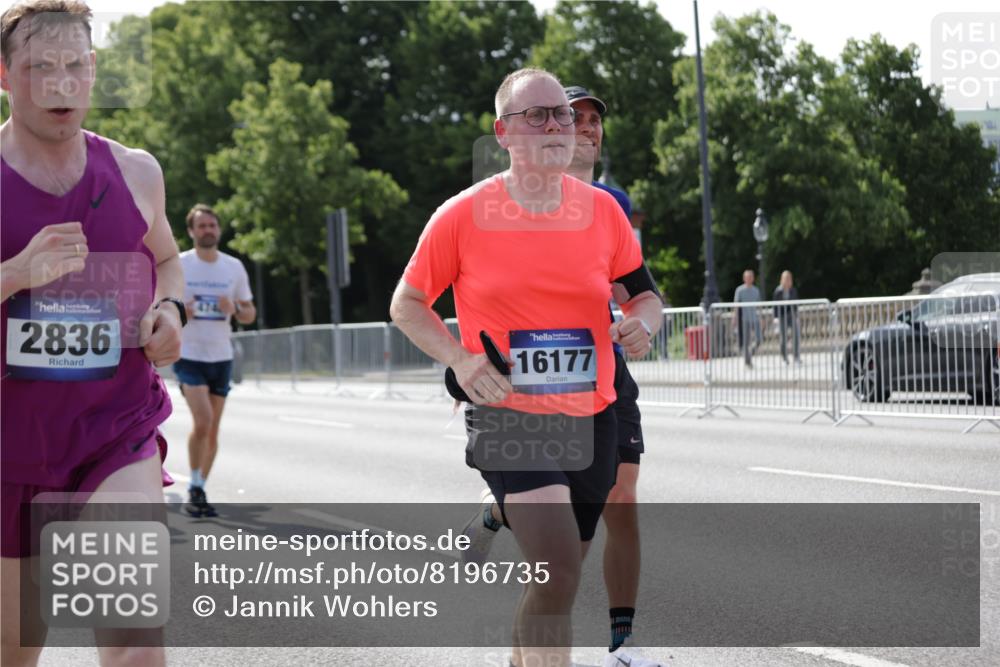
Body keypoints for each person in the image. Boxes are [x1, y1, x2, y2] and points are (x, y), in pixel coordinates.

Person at [390, 68, 663, 667]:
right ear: (503, 133)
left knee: (555, 581)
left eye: (561, 115)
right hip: (510, 416)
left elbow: (644, 294)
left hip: (593, 415)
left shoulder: (603, 213)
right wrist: (460, 359)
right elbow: (406, 304)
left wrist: (644, 323)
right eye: (536, 116)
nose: (556, 125)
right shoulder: (463, 215)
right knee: (560, 567)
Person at [1, 1, 183, 664]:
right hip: (8, 446)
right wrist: (15, 274)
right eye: (39, 67)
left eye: (75, 65)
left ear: (95, 69)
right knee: (15, 650)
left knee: (135, 641)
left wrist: (171, 313)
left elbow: (166, 259)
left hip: (114, 429)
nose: (60, 84)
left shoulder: (137, 172)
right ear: (3, 75)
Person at [175, 204, 255, 518]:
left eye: (212, 225)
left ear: (218, 230)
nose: (208, 230)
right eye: (202, 226)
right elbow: (159, 305)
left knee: (212, 432)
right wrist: (183, 311)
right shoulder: (180, 265)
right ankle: (195, 486)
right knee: (203, 420)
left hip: (221, 356)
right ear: (192, 232)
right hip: (189, 354)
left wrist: (234, 306)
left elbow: (250, 314)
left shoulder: (233, 267)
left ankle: (198, 487)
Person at [733, 269, 762, 369]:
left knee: (759, 340)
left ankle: (749, 354)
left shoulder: (756, 290)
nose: (749, 279)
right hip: (744, 319)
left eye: (751, 277)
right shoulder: (739, 290)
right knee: (746, 341)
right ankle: (747, 361)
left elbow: (759, 306)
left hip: (754, 318)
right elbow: (736, 306)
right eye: (747, 277)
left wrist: (761, 318)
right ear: (744, 278)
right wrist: (735, 318)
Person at [772, 270, 801, 365]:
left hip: (791, 316)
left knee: (796, 335)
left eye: (789, 278)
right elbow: (775, 306)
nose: (787, 280)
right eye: (786, 278)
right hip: (782, 316)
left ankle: (796, 357)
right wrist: (775, 318)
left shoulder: (793, 290)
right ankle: (785, 358)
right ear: (782, 279)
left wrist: (796, 316)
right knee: (783, 338)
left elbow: (795, 305)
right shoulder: (778, 291)